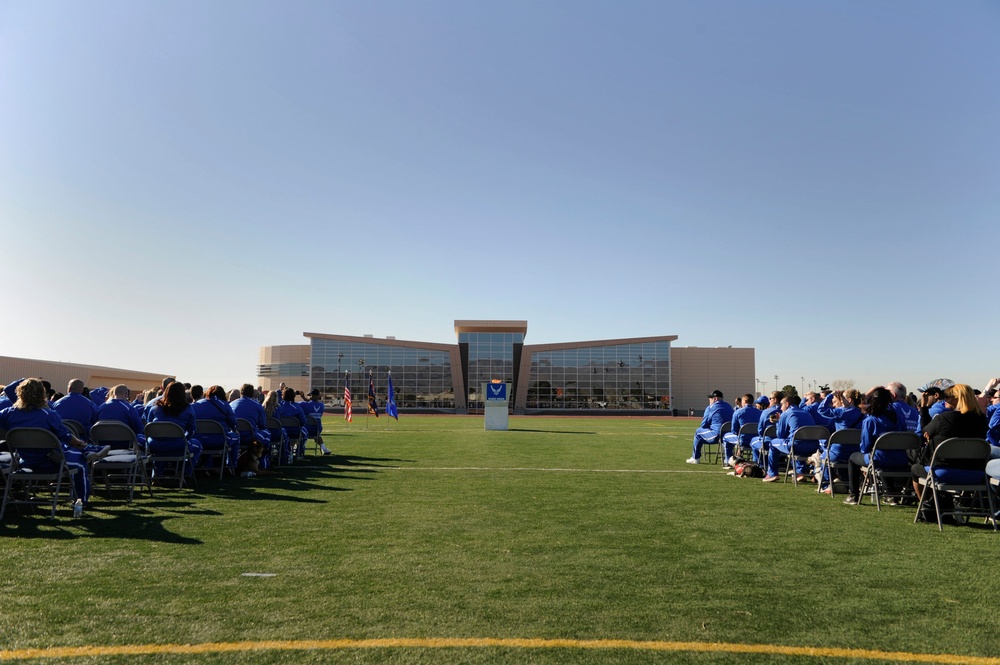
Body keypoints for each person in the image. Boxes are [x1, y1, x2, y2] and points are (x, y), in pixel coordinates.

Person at [0, 378, 109, 505]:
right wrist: (82, 444)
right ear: (42, 393)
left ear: (19, 393)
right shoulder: (47, 414)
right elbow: (67, 437)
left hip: (25, 461)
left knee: (70, 450)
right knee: (80, 462)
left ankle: (87, 449)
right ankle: (81, 501)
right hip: (50, 461)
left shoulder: (8, 413)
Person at [911, 384, 988, 511]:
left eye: (946, 397)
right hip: (976, 473)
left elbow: (925, 431)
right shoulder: (981, 420)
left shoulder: (943, 418)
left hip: (944, 471)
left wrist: (924, 408)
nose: (943, 399)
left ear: (957, 398)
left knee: (915, 469)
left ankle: (928, 506)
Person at [843, 386, 906, 505]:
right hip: (900, 459)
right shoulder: (899, 418)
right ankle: (891, 495)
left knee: (853, 458)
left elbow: (865, 447)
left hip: (880, 459)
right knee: (881, 456)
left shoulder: (871, 420)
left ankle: (853, 495)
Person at [146, 381, 202, 478]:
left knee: (161, 443)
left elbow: (149, 426)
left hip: (155, 445)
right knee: (197, 445)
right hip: (178, 445)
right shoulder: (187, 408)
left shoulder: (155, 407)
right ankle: (185, 473)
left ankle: (156, 475)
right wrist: (185, 438)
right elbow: (192, 429)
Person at [763, 394, 819, 482]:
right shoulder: (806, 412)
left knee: (773, 443)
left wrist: (778, 422)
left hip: (796, 445)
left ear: (787, 404)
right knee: (799, 445)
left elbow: (780, 435)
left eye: (782, 405)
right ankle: (799, 473)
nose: (780, 408)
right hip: (813, 446)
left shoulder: (786, 414)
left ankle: (772, 473)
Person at [815, 389, 863, 489]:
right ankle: (845, 482)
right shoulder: (862, 414)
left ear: (849, 400)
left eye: (843, 398)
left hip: (839, 451)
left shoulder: (841, 412)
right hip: (856, 451)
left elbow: (821, 409)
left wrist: (830, 395)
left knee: (823, 457)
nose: (841, 400)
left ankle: (826, 485)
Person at [192, 385, 241, 473]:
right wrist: (234, 429)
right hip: (219, 440)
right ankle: (231, 466)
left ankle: (207, 466)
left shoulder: (196, 405)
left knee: (207, 437)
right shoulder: (225, 405)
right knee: (236, 437)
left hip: (199, 439)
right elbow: (234, 423)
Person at [231, 383, 274, 471]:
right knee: (267, 434)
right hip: (250, 436)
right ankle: (263, 463)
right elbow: (262, 425)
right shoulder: (257, 405)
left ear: (241, 393)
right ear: (252, 394)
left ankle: (231, 464)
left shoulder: (232, 404)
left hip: (234, 436)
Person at [686, 390, 734, 465]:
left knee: (698, 432)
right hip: (728, 436)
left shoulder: (711, 407)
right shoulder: (729, 406)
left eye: (710, 398)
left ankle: (695, 458)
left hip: (716, 435)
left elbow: (704, 424)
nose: (709, 400)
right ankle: (728, 458)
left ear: (715, 399)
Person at [96, 384, 147, 449]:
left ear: (114, 394)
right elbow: (138, 428)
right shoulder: (129, 408)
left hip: (102, 444)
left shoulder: (100, 408)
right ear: (126, 394)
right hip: (125, 444)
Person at [721, 393, 761, 467]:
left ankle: (728, 460)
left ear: (745, 401)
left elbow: (734, 430)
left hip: (743, 440)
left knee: (726, 437)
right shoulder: (760, 412)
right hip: (756, 440)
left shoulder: (738, 412)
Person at [274, 387, 307, 462]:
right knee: (305, 433)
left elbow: (275, 419)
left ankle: (281, 452)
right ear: (294, 396)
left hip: (280, 432)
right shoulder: (297, 407)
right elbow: (303, 421)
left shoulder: (278, 407)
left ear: (283, 395)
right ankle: (299, 453)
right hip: (294, 432)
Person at [749, 392, 783, 465]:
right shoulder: (785, 411)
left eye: (770, 399)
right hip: (782, 442)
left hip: (768, 442)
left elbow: (760, 430)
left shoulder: (766, 412)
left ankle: (761, 465)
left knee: (753, 441)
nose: (769, 401)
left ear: (775, 400)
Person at [299, 388, 332, 455]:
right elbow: (312, 403)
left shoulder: (304, 404)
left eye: (309, 395)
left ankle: (300, 448)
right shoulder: (321, 405)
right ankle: (324, 448)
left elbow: (295, 405)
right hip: (317, 429)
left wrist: (303, 398)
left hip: (306, 430)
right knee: (317, 435)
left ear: (312, 395)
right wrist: (305, 399)